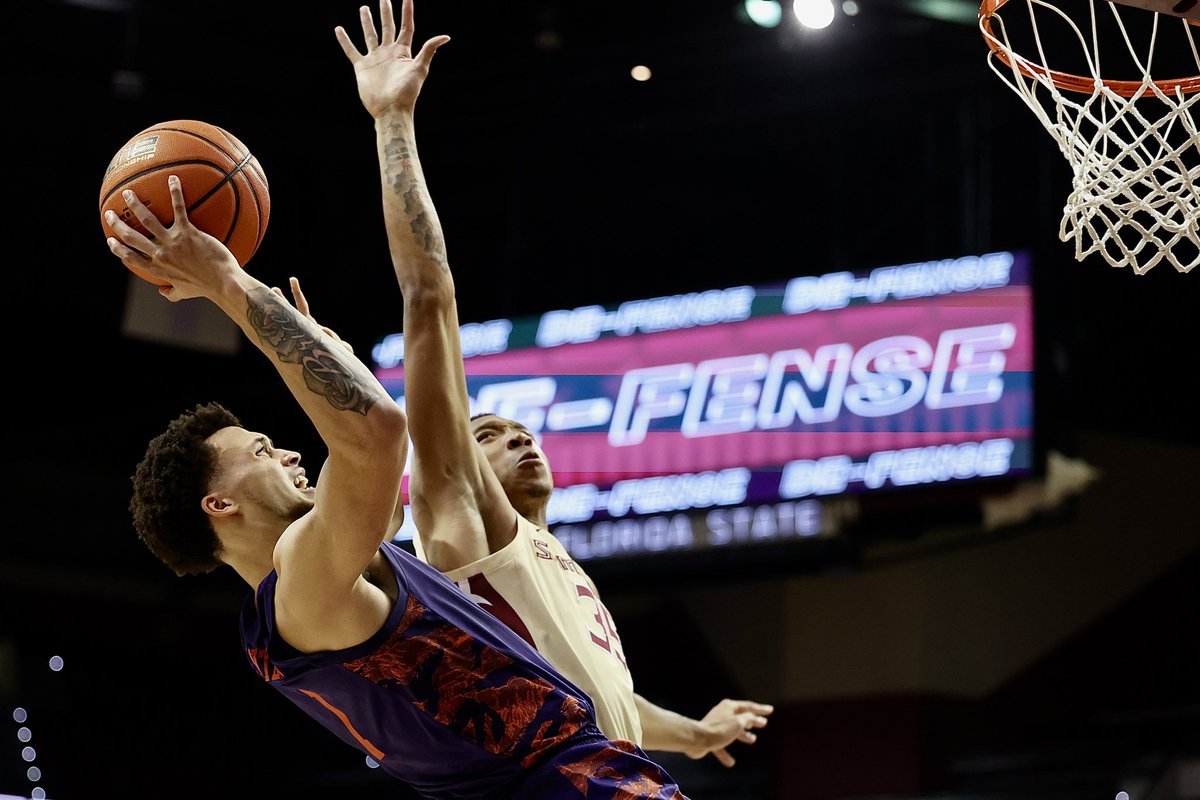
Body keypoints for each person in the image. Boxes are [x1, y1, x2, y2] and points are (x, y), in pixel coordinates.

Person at [110, 177, 690, 797]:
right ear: (219, 505)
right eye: (260, 450)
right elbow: (377, 431)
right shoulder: (304, 584)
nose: (284, 450)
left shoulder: (332, 573)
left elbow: (375, 474)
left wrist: (327, 353)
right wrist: (227, 281)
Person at [337, 0, 774, 770]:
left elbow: (616, 704)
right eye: (488, 435)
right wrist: (392, 120)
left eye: (523, 431)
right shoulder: (456, 517)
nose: (518, 438)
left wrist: (698, 736)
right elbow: (428, 296)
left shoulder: (548, 563)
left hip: (610, 774)